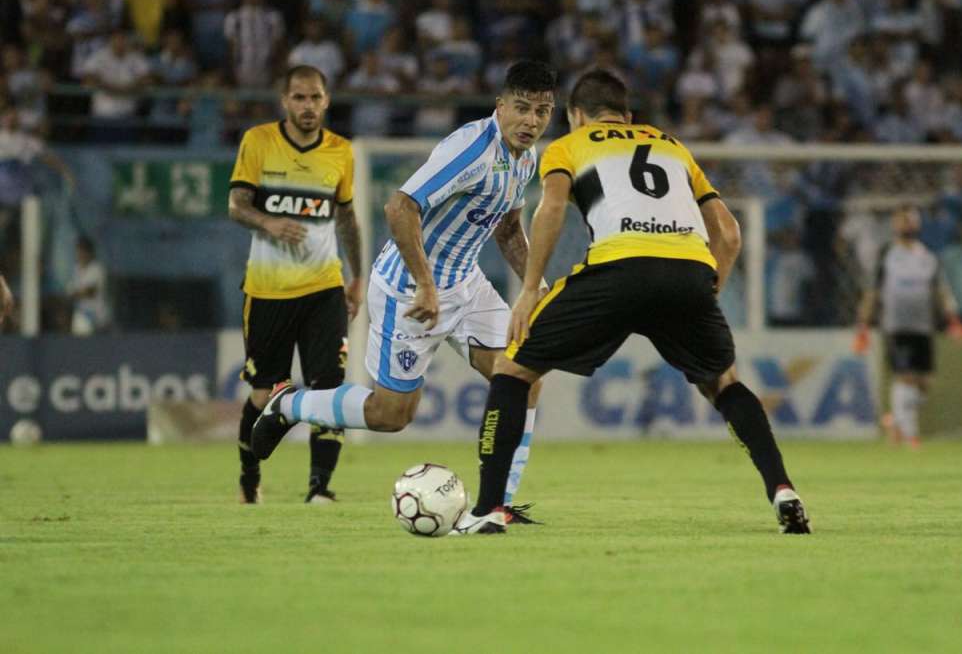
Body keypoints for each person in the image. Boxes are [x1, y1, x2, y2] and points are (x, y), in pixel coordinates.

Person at [451, 68, 811, 535]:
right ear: (628, 114)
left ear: (576, 115)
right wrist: (706, 293)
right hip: (688, 269)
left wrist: (529, 289)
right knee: (724, 384)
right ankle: (782, 488)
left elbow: (553, 208)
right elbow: (729, 233)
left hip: (617, 269)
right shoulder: (673, 145)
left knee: (512, 370)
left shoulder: (568, 146)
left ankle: (488, 509)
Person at [252, 61, 557, 523]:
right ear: (500, 105)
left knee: (523, 376)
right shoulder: (471, 150)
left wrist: (535, 284)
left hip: (466, 285)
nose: (532, 121)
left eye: (542, 111)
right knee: (390, 415)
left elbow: (509, 229)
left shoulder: (526, 158)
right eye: (522, 108)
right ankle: (290, 403)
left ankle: (497, 505)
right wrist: (426, 284)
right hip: (407, 291)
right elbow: (399, 207)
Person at [227, 64, 364, 504]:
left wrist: (357, 276)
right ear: (285, 101)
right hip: (267, 291)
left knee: (330, 389)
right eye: (300, 98)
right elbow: (236, 205)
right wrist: (270, 222)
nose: (309, 106)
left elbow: (345, 216)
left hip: (324, 286)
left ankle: (319, 489)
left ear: (327, 101)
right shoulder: (259, 141)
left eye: (316, 98)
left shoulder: (341, 151)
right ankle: (250, 473)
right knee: (265, 394)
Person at [853, 206, 962, 448]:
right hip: (896, 325)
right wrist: (863, 326)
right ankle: (910, 435)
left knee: (924, 384)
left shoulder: (928, 257)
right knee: (904, 378)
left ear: (917, 225)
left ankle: (895, 419)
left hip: (923, 326)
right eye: (902, 220)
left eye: (911, 220)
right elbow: (871, 292)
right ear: (895, 225)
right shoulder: (886, 255)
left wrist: (953, 319)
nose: (907, 224)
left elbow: (940, 291)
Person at [69, 236, 110, 335]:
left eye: (83, 251)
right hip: (82, 314)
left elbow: (89, 292)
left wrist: (76, 293)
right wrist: (75, 293)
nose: (80, 255)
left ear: (89, 252)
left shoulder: (97, 269)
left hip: (97, 316)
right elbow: (70, 291)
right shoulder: (76, 269)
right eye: (78, 251)